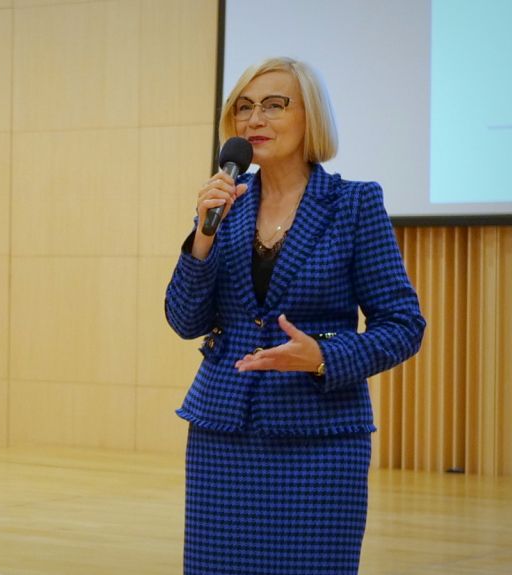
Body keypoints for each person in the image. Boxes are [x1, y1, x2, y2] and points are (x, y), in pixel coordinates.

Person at [164, 57, 426, 575]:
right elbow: (184, 320)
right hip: (224, 435)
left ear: (311, 117)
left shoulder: (353, 204)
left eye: (273, 105)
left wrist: (323, 355)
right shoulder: (226, 206)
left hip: (319, 440)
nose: (254, 120)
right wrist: (203, 236)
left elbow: (403, 326)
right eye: (243, 108)